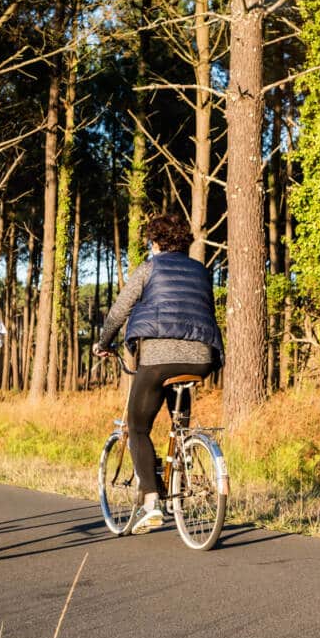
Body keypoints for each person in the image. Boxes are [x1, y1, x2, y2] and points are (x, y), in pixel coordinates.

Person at [93, 213, 222, 534]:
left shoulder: (150, 268)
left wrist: (103, 342)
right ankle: (183, 463)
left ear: (155, 242)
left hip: (159, 357)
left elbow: (120, 309)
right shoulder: (202, 272)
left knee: (138, 428)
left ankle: (152, 504)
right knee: (178, 424)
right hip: (201, 356)